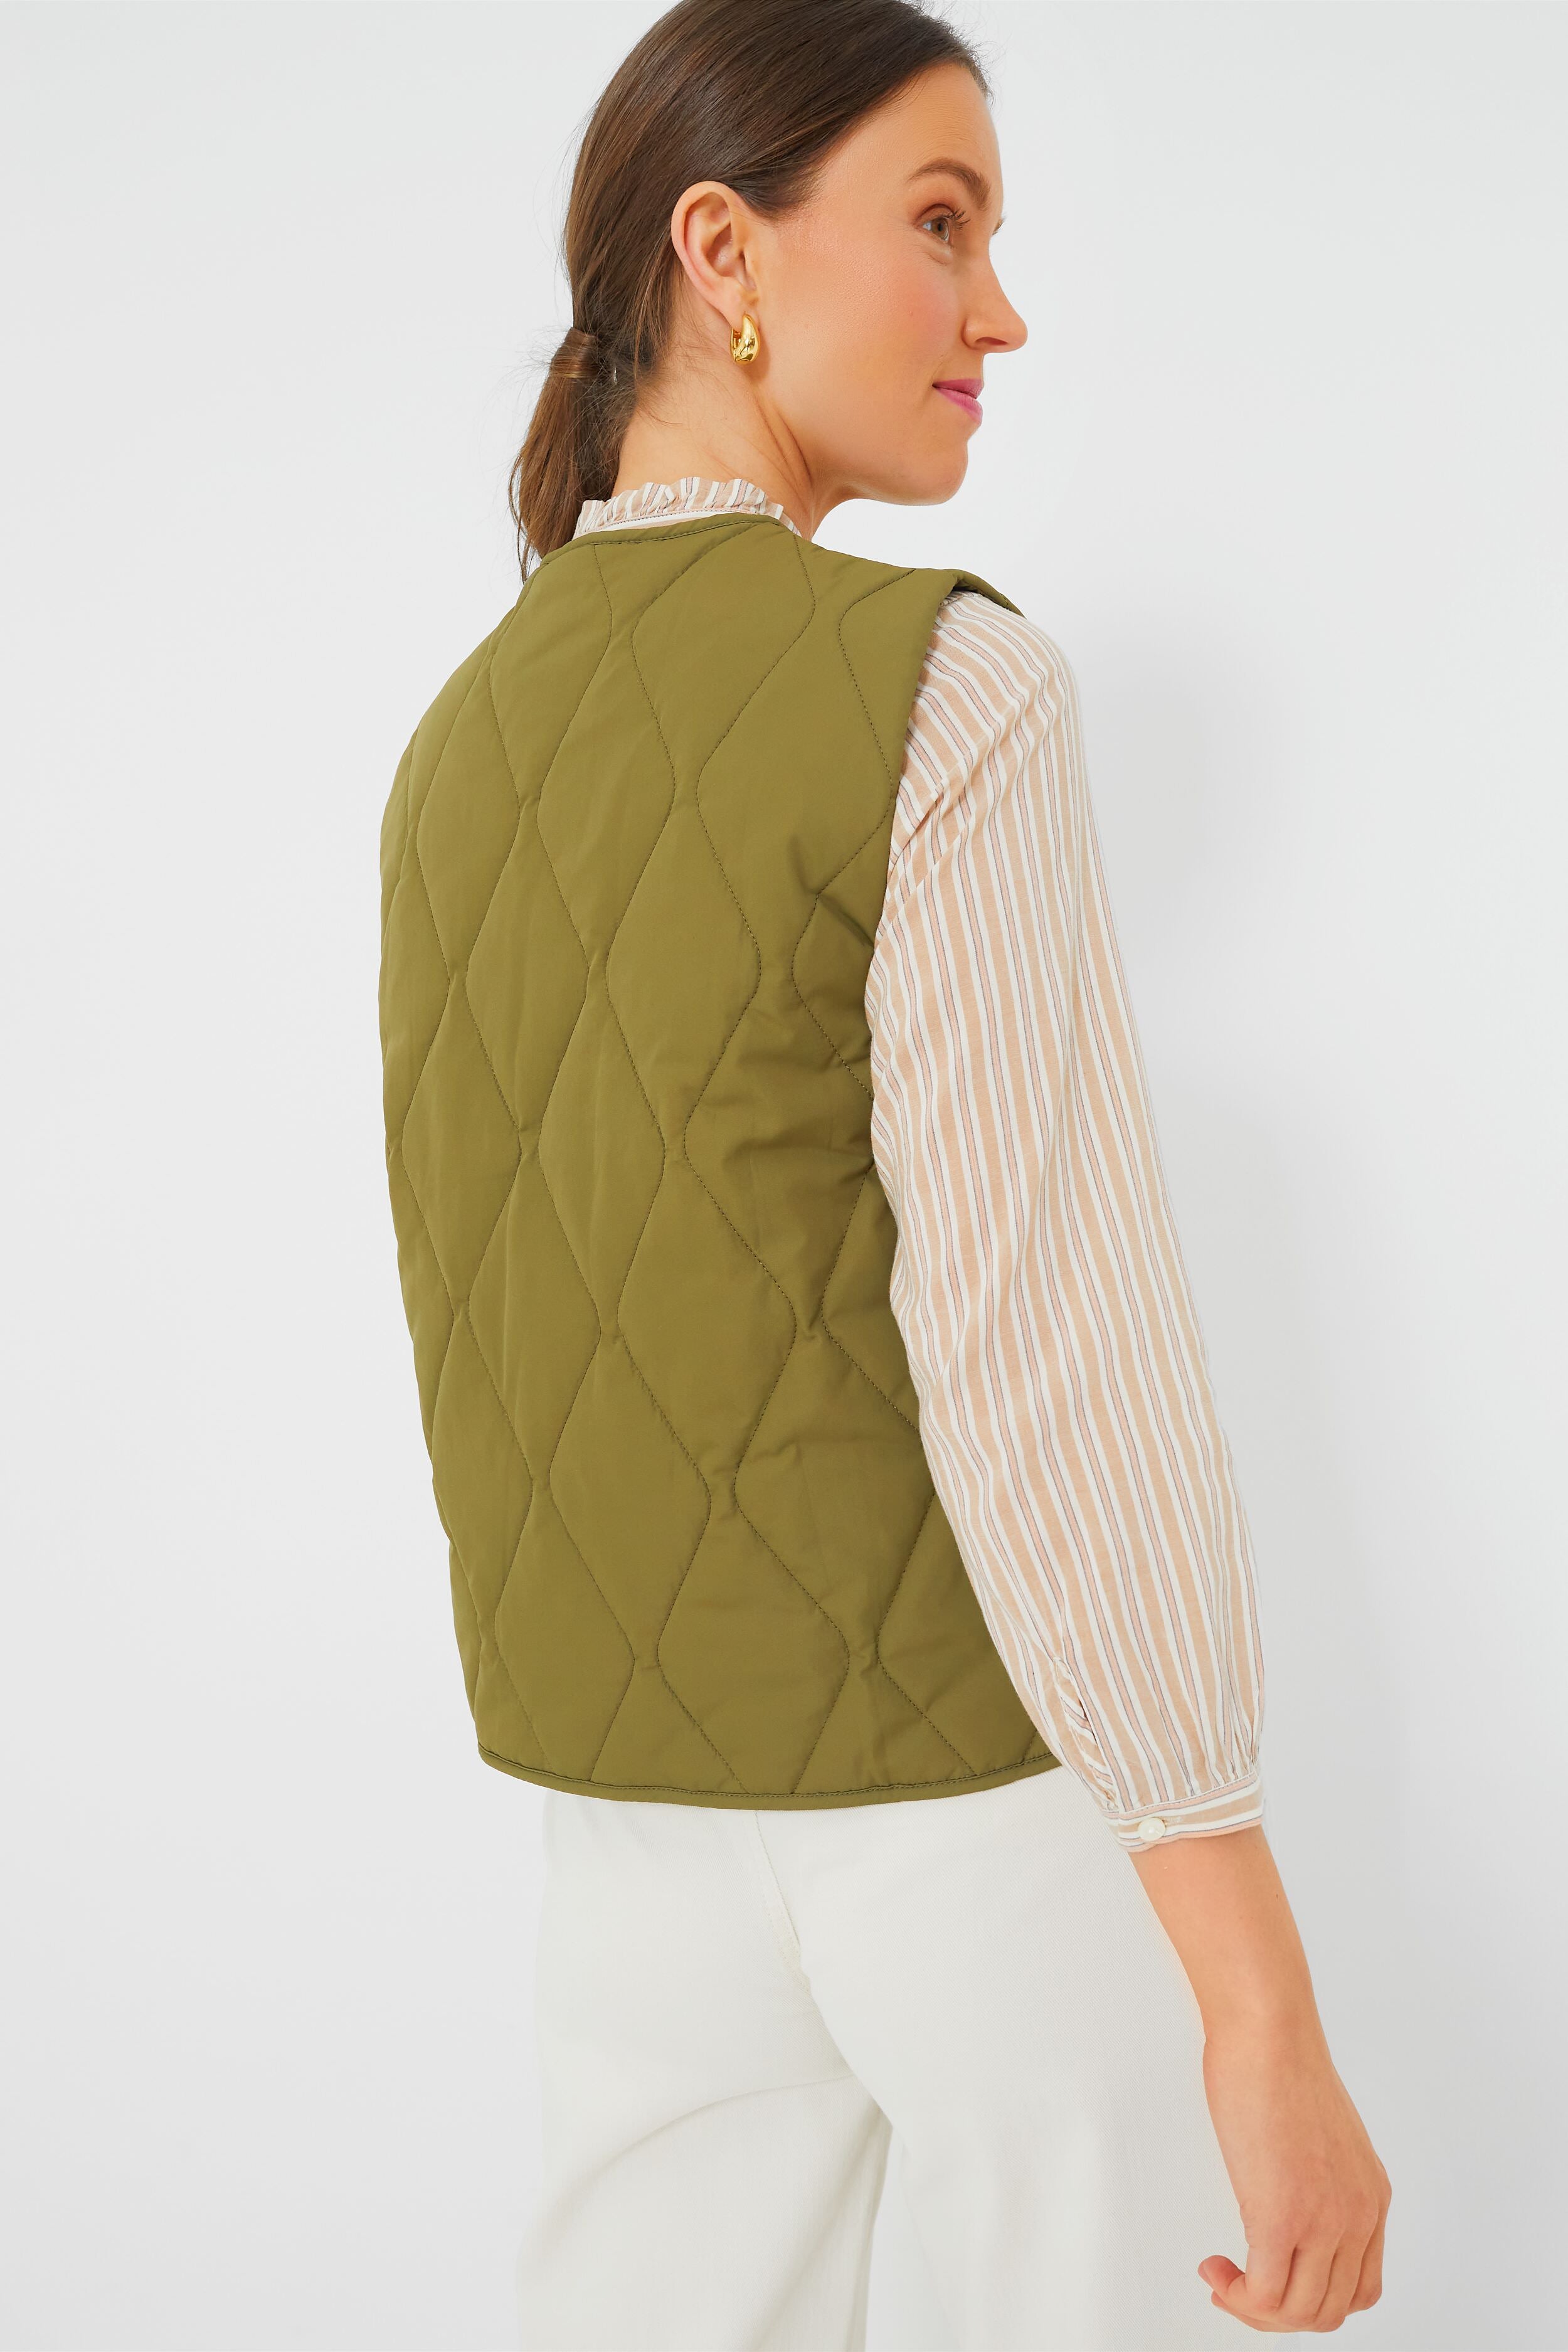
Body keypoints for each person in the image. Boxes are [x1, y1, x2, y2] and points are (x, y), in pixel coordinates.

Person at [376, 2, 1391, 2344]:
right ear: (721, 253)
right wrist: (1252, 1991)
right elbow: (1049, 1355)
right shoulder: (940, 687)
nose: (996, 312)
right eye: (942, 225)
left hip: (627, 1829)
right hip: (970, 1808)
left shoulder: (458, 743)